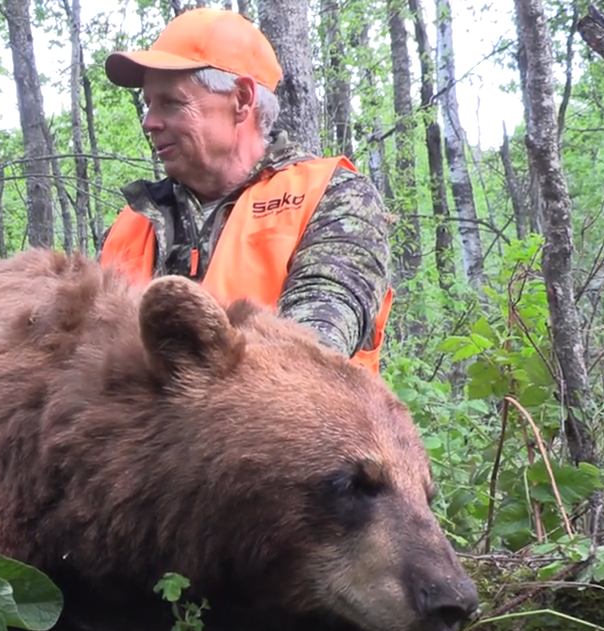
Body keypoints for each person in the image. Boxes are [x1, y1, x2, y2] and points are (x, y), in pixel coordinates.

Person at [97, 8, 394, 375]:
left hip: (286, 429)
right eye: (149, 105)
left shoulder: (333, 197)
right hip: (141, 434)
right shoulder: (132, 223)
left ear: (241, 99)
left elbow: (313, 348)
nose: (149, 122)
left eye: (170, 103)